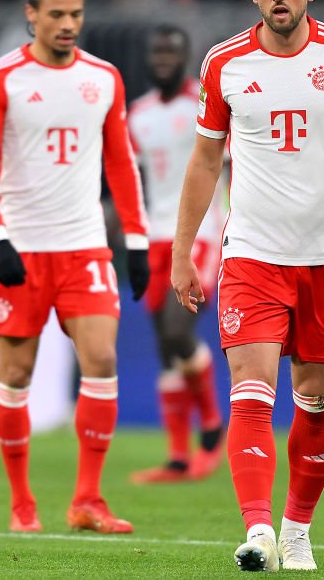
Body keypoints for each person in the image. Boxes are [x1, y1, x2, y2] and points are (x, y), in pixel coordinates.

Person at [171, 0, 324, 572]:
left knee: (317, 398)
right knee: (250, 389)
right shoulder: (224, 63)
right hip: (252, 254)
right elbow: (204, 162)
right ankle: (258, 530)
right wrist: (182, 252)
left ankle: (296, 530)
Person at [0, 0, 150, 534]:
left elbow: (121, 161)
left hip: (83, 246)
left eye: (76, 14)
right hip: (20, 248)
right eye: (56, 15)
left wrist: (136, 239)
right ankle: (22, 502)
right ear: (31, 15)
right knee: (16, 373)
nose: (68, 24)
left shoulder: (104, 77)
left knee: (102, 361)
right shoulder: (1, 78)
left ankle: (87, 499)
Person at [128, 26, 226, 484]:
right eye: (157, 51)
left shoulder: (204, 105)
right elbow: (131, 178)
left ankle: (212, 425)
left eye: (171, 51)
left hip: (201, 231)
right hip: (154, 233)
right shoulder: (138, 114)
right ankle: (178, 458)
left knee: (176, 328)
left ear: (185, 58)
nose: (163, 58)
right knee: (164, 346)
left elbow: (230, 165)